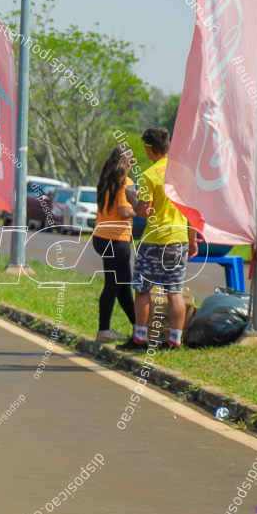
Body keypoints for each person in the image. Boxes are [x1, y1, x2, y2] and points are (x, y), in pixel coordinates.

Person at [118, 127, 198, 351]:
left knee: (143, 289)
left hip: (154, 240)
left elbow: (143, 212)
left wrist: (132, 197)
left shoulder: (148, 176)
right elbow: (191, 212)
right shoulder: (185, 175)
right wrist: (192, 240)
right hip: (179, 238)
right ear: (168, 146)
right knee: (175, 290)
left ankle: (140, 338)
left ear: (148, 149)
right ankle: (175, 340)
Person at [91, 146, 137, 343]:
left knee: (123, 284)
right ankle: (104, 330)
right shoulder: (126, 183)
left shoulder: (105, 181)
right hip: (116, 238)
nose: (132, 166)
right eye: (131, 162)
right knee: (113, 284)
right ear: (125, 163)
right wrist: (143, 209)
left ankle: (138, 327)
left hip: (101, 236)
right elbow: (125, 211)